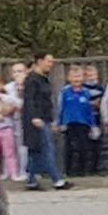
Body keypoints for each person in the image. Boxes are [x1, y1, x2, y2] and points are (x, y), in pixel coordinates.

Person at [22, 52, 71, 191]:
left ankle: (31, 180)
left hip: (45, 118)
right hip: (37, 120)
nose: (51, 64)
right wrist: (34, 117)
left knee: (36, 152)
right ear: (39, 61)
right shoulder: (32, 80)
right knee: (47, 149)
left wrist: (52, 119)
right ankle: (57, 180)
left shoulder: (44, 79)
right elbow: (29, 100)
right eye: (48, 61)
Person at [57, 65, 100, 177]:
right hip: (69, 122)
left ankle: (83, 170)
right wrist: (60, 123)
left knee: (83, 147)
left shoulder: (86, 92)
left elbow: (89, 111)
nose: (76, 79)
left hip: (83, 123)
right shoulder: (65, 92)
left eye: (79, 76)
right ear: (69, 78)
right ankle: (69, 170)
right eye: (74, 76)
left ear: (83, 78)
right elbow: (60, 108)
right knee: (69, 148)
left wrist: (93, 125)